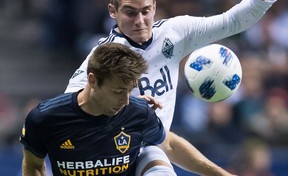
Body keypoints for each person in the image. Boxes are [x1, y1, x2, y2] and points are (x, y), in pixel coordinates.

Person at [65, 0, 280, 175]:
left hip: (152, 146)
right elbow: (70, 103)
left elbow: (229, 22)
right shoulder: (103, 56)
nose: (140, 21)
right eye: (130, 12)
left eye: (146, 11)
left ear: (155, 7)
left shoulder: (174, 32)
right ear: (113, 11)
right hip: (108, 153)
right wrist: (124, 105)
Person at [20, 43, 234, 176]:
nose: (125, 100)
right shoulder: (45, 118)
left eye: (130, 91)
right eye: (118, 92)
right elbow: (34, 166)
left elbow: (170, 145)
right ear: (93, 81)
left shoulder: (137, 112)